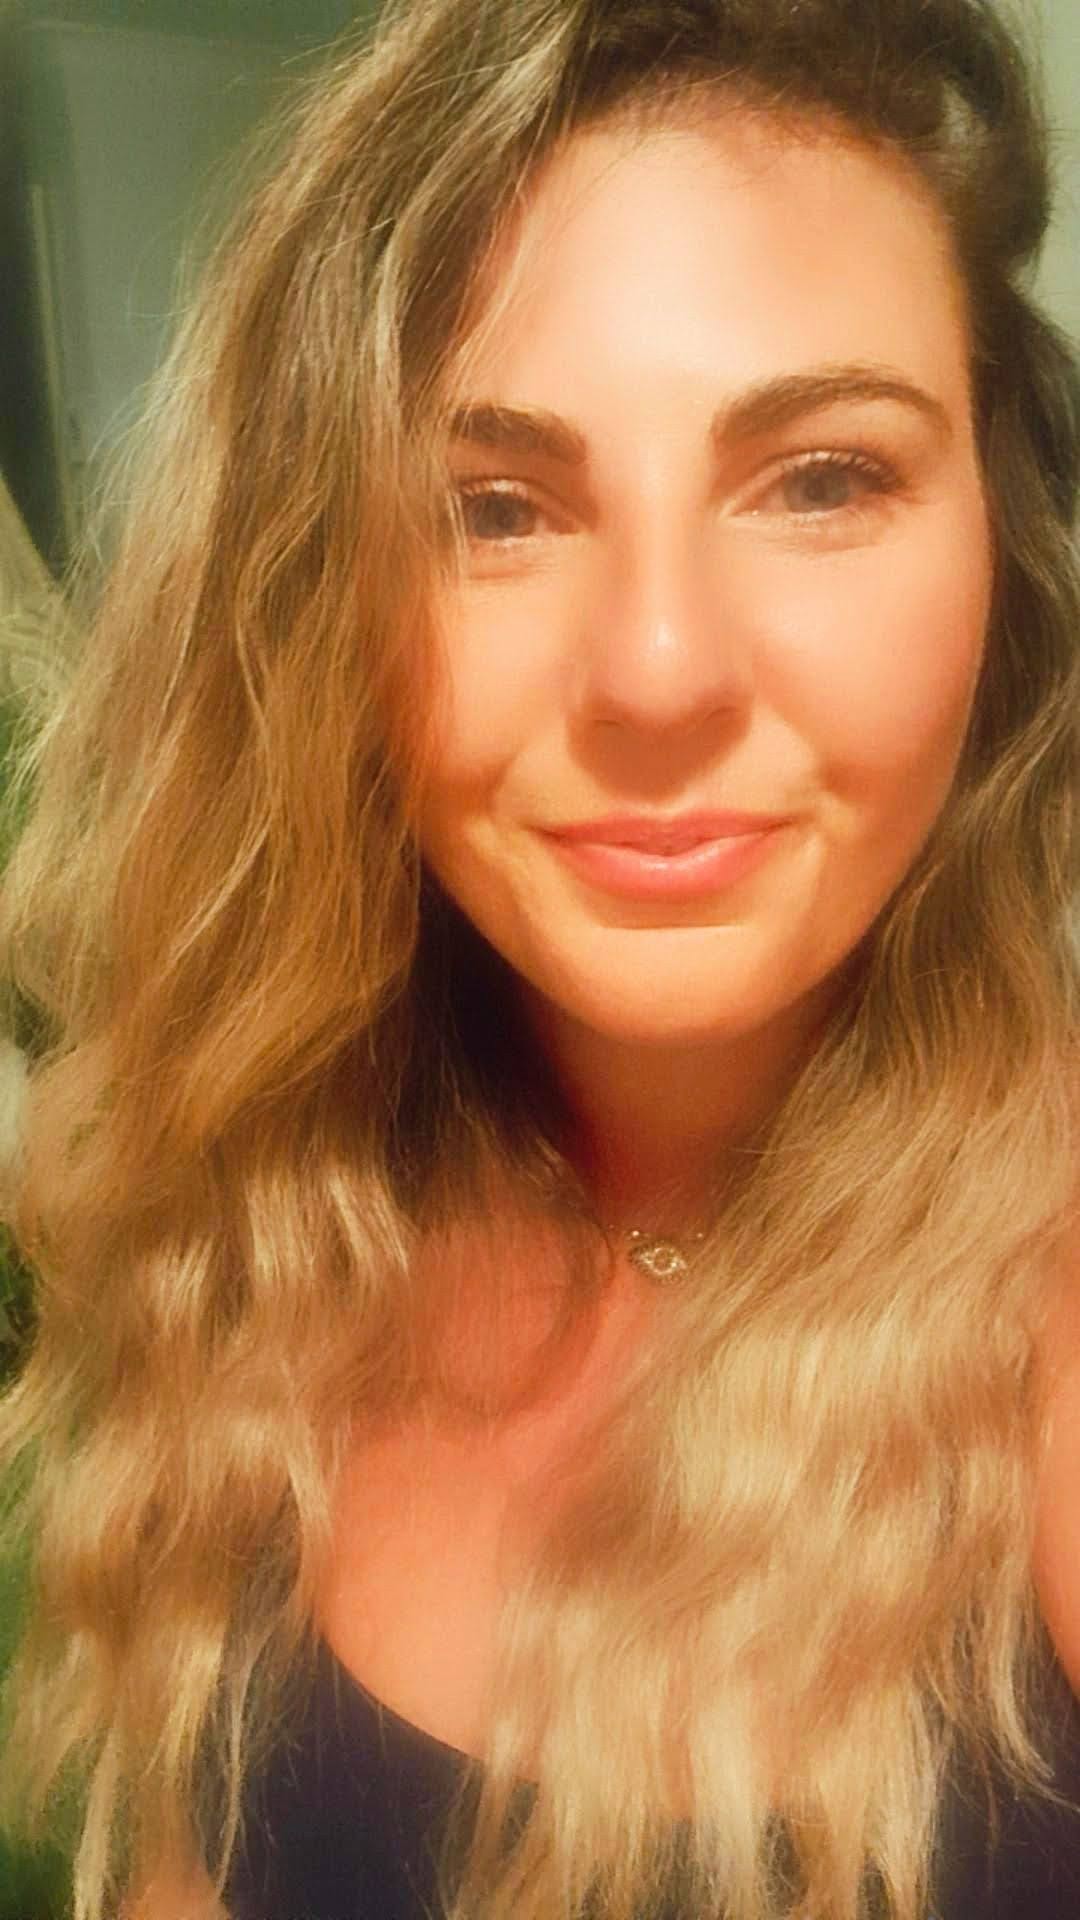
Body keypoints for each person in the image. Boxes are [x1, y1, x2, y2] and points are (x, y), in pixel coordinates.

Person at [0, 0, 1078, 1915]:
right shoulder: (266, 1201)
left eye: (823, 478)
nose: (657, 670)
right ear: (314, 601)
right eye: (492, 509)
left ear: (1008, 551)